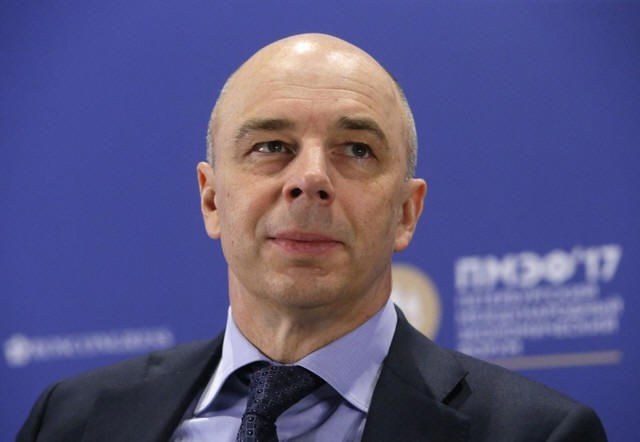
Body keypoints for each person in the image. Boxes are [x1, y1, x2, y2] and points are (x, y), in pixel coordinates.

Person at [17, 33, 607, 442]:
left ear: (406, 212)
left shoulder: (538, 434)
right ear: (212, 199)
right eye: (271, 146)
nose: (311, 179)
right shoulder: (70, 420)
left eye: (357, 150)